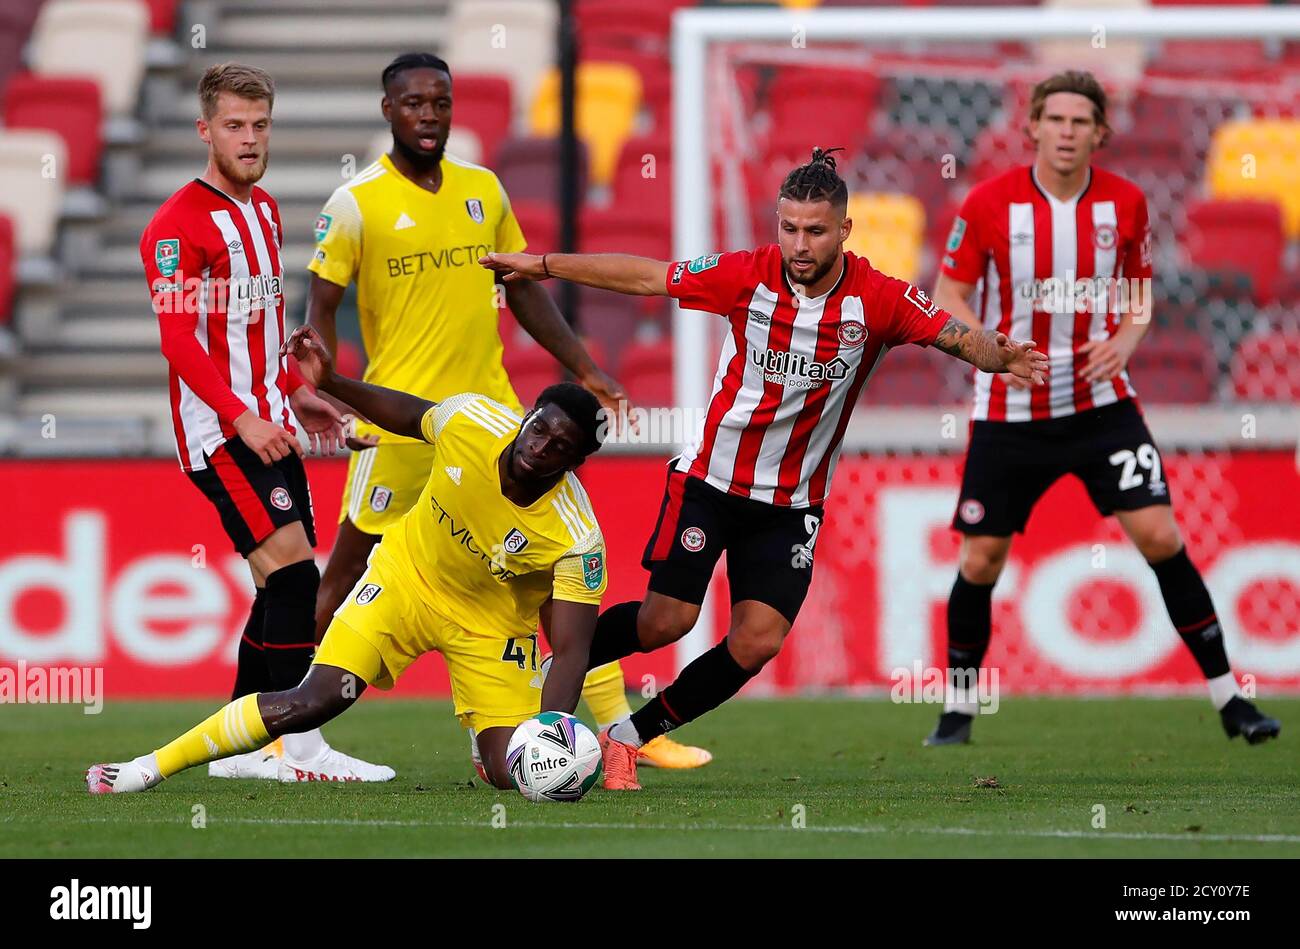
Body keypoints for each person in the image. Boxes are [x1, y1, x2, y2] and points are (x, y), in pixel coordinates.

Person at [481, 147, 1049, 789]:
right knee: (665, 622)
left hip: (792, 503)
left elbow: (951, 332)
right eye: (788, 228)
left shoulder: (879, 300)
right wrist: (545, 265)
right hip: (711, 481)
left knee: (756, 642)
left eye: (813, 230)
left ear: (843, 230)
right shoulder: (745, 277)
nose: (799, 244)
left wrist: (997, 354)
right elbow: (647, 276)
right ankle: (531, 677)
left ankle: (627, 736)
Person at [307, 52, 710, 770]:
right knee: (347, 569)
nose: (429, 116)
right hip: (403, 420)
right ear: (387, 110)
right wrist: (322, 388)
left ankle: (620, 734)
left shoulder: (483, 189)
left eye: (440, 102)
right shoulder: (353, 202)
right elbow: (321, 312)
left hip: (490, 421)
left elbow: (521, 287)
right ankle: (295, 735)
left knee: (564, 577)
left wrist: (584, 366)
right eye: (413, 103)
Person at [87, 326, 609, 793]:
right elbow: (406, 414)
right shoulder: (472, 420)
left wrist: (552, 735)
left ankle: (491, 740)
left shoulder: (577, 537)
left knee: (512, 775)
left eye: (560, 448)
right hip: (404, 580)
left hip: (490, 627)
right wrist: (332, 381)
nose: (541, 448)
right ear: (527, 416)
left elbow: (568, 650)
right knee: (315, 700)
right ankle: (149, 766)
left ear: (575, 463)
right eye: (539, 429)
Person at [924, 70, 1280, 746]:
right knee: (980, 562)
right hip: (1010, 409)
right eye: (1054, 119)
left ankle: (1233, 701)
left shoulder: (1127, 204)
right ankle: (959, 708)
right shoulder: (989, 203)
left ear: (1100, 133)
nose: (1065, 131)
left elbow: (1139, 292)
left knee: (1161, 537)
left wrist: (1125, 338)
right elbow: (948, 294)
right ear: (1030, 126)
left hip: (1101, 407)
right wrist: (990, 348)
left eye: (1080, 121)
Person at [139, 62, 392, 783]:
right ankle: (297, 747)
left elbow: (261, 323)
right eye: (234, 126)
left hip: (271, 419)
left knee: (275, 584)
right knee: (292, 580)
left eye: (260, 126)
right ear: (205, 130)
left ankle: (244, 742)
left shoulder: (267, 209)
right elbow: (180, 339)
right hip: (222, 434)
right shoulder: (175, 226)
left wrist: (295, 393)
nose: (249, 139)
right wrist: (242, 416)